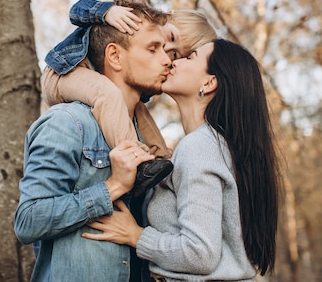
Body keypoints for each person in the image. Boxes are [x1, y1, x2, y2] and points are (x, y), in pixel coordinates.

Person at [83, 39, 282, 281]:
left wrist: (135, 235)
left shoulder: (199, 146)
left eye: (190, 57)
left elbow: (199, 254)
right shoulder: (216, 145)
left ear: (209, 82)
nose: (174, 61)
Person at [14, 0, 174, 282]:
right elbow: (28, 221)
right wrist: (112, 187)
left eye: (166, 49)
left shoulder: (142, 132)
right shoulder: (67, 123)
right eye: (153, 49)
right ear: (114, 56)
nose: (167, 59)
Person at [42, 0, 218, 195]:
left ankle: (160, 156)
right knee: (108, 93)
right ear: (166, 17)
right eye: (170, 38)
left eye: (175, 55)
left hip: (95, 78)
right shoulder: (125, 17)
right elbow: (76, 10)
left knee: (139, 110)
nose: (166, 54)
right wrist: (107, 12)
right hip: (63, 72)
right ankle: (135, 159)